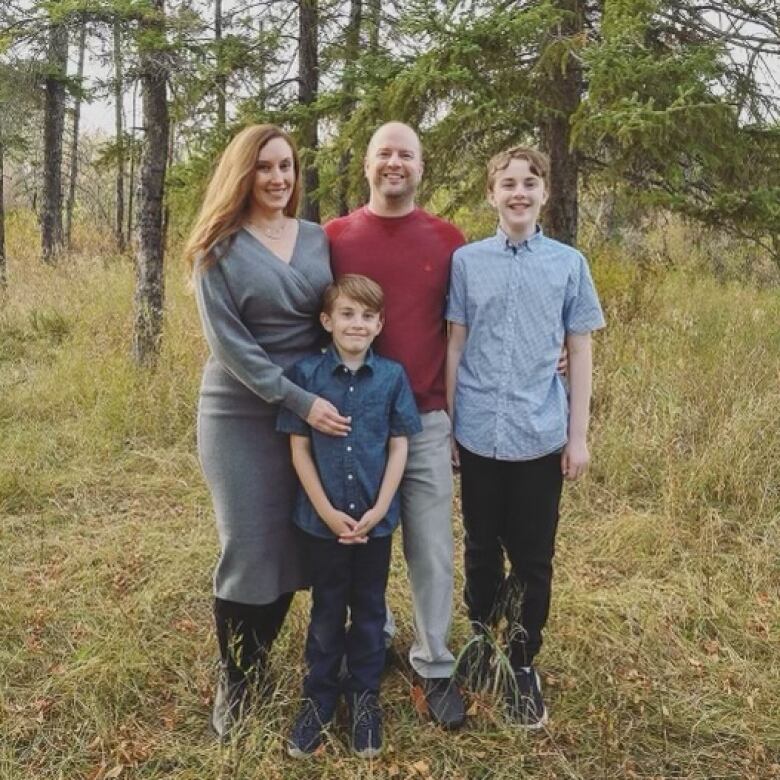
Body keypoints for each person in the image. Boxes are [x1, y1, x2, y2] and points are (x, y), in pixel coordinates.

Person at [184, 124, 350, 740]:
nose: (278, 178)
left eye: (287, 167)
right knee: (250, 546)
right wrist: (300, 402)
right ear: (242, 174)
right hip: (242, 413)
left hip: (310, 412)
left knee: (294, 545)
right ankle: (237, 677)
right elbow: (232, 349)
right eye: (264, 168)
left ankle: (262, 662)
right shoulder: (217, 248)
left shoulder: (316, 239)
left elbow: (351, 311)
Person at [445, 146, 605, 728]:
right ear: (492, 194)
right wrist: (448, 427)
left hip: (539, 436)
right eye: (507, 183)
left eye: (529, 182)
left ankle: (521, 663)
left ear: (544, 193)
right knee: (482, 547)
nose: (518, 192)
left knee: (534, 558)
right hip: (479, 434)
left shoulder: (568, 263)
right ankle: (483, 643)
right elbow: (456, 344)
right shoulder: (467, 262)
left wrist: (577, 435)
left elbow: (581, 348)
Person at [325, 122, 467, 728]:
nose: (394, 162)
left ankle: (434, 662)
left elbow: (472, 322)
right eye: (384, 152)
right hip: (351, 424)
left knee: (431, 548)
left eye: (405, 154)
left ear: (420, 166)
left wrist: (556, 350)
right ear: (366, 163)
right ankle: (363, 646)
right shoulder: (333, 239)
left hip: (428, 419)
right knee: (356, 543)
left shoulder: (448, 239)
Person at [277, 274, 422, 758]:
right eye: (346, 314)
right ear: (326, 321)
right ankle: (318, 700)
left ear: (380, 324)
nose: (356, 324)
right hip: (323, 523)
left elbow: (399, 445)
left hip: (375, 523)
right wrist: (326, 511)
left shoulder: (392, 377)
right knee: (326, 611)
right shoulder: (306, 377)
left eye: (366, 316)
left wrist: (381, 507)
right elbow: (299, 450)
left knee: (369, 610)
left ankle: (364, 699)